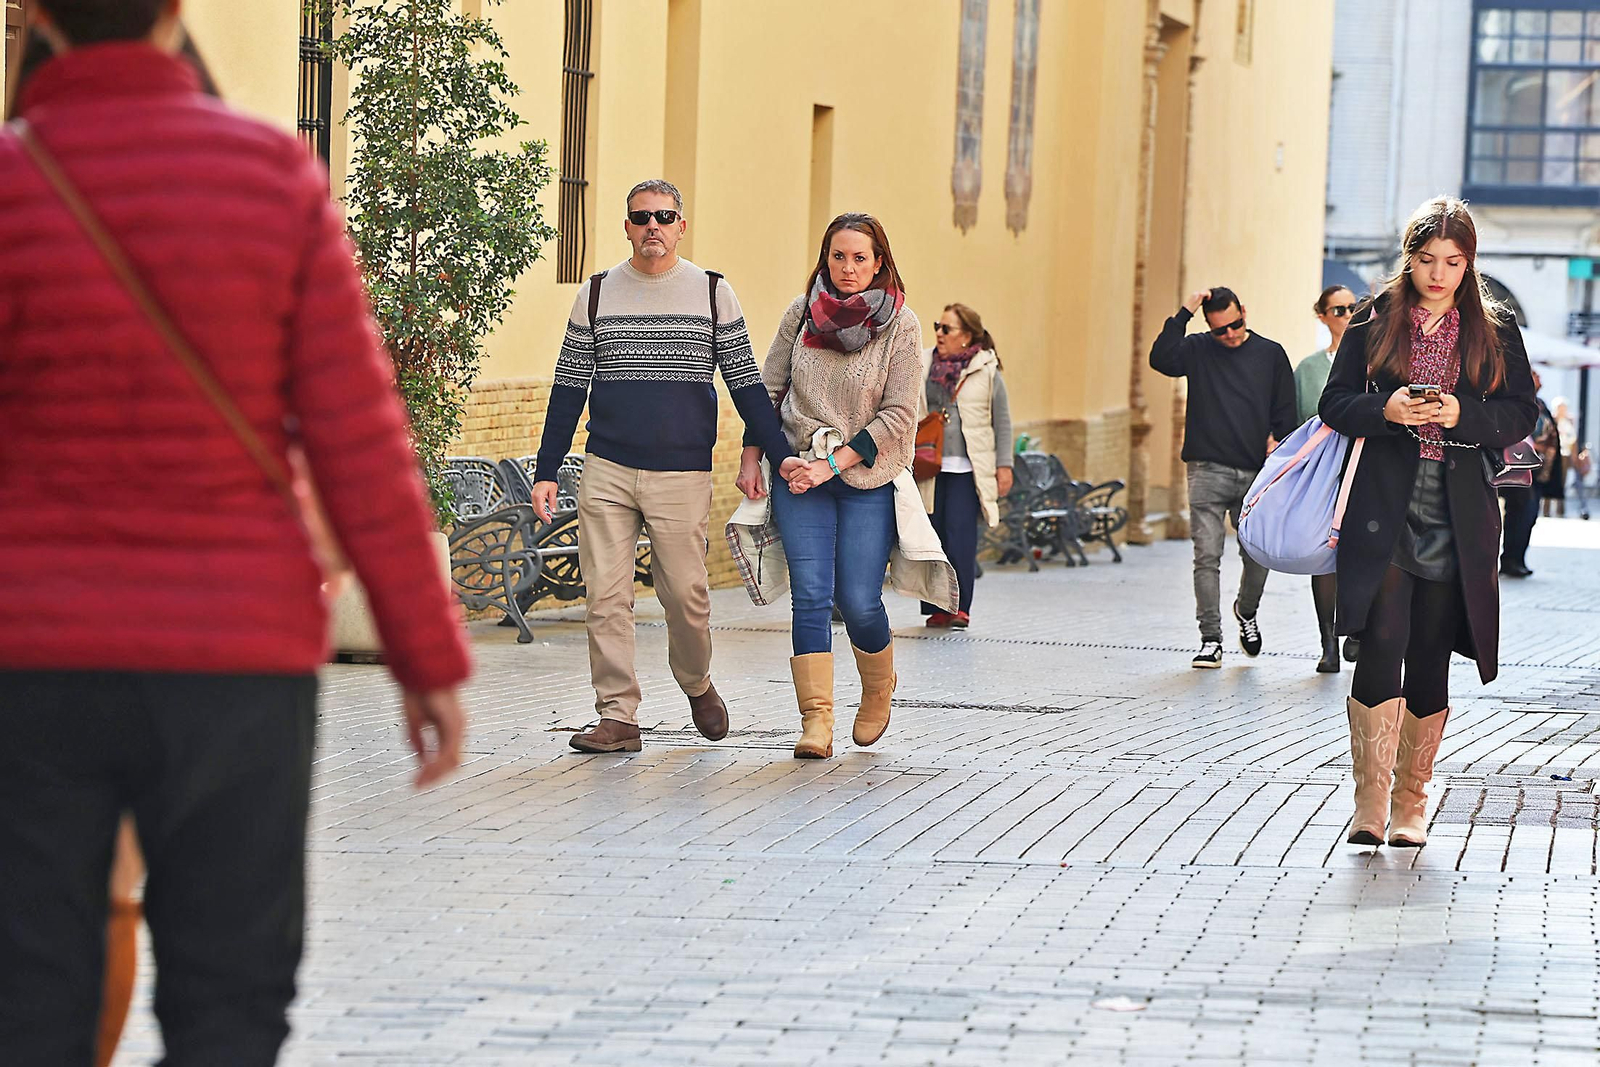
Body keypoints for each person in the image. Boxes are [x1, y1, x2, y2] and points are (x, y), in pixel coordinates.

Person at [0, 3, 472, 1064]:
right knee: (230, 1003)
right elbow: (358, 437)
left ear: (35, 17)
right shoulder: (271, 176)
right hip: (236, 664)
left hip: (34, 663)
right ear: (175, 12)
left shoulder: (10, 180)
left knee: (29, 997)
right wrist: (426, 656)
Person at [531, 179, 795, 754]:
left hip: (682, 475)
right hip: (607, 468)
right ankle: (618, 715)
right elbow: (569, 386)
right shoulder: (597, 295)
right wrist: (548, 469)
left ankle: (697, 683)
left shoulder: (711, 293)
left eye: (664, 216)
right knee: (606, 597)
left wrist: (781, 458)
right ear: (626, 226)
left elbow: (748, 387)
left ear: (681, 225)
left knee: (685, 597)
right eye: (641, 217)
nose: (653, 226)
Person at [1320, 197, 1535, 849]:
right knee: (1382, 640)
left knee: (1432, 654)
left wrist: (1459, 415)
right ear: (1408, 258)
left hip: (1458, 513)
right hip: (1385, 507)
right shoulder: (1374, 321)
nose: (1438, 274)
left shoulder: (1494, 330)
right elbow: (1334, 404)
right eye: (1426, 260)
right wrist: (1385, 407)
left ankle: (1412, 802)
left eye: (1452, 261)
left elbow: (1521, 414)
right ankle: (1369, 805)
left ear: (1468, 263)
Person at [736, 213, 924, 759]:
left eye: (860, 258)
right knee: (811, 597)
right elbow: (768, 390)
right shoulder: (801, 315)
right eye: (838, 257)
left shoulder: (902, 325)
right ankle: (816, 719)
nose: (848, 268)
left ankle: (877, 688)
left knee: (858, 599)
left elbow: (899, 414)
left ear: (879, 263)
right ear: (826, 259)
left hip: (866, 478)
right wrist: (753, 456)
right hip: (801, 477)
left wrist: (835, 464)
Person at [1150, 286, 1297, 668]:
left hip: (1255, 471)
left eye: (1235, 325)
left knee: (1258, 554)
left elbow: (1285, 410)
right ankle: (1210, 639)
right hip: (1206, 468)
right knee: (1206, 557)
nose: (1229, 334)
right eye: (1220, 330)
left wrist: (1277, 441)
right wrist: (1185, 311)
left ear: (1244, 312)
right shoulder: (1198, 349)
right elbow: (1161, 358)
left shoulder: (1270, 354)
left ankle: (1246, 612)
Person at [916, 303, 1014, 628]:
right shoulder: (924, 363)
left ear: (967, 335)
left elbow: (1002, 420)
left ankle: (960, 607)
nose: (939, 334)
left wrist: (1004, 465)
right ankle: (937, 606)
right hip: (929, 465)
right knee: (932, 538)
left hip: (966, 469)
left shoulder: (986, 369)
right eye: (938, 327)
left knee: (960, 537)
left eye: (947, 329)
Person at [1295, 286, 1363, 673]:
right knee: (1324, 559)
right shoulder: (1308, 370)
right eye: (1339, 309)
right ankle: (1328, 645)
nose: (1348, 314)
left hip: (1364, 468)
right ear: (1322, 315)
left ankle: (1355, 630)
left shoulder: (1374, 360)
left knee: (1362, 553)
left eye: (1355, 307)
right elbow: (1297, 422)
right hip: (1322, 473)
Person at [1499, 371, 1556, 578]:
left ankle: (1517, 558)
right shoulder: (1517, 402)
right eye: (1534, 375)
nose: (1540, 379)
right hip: (1518, 468)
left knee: (1528, 515)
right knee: (1522, 511)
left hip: (1536, 470)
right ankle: (1511, 559)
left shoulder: (1539, 403)